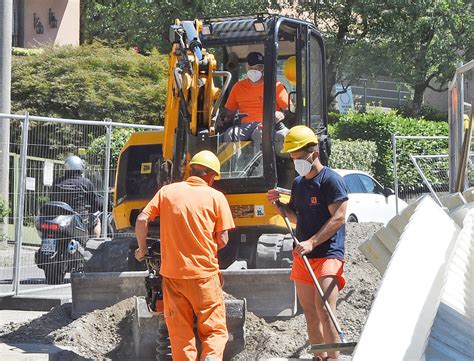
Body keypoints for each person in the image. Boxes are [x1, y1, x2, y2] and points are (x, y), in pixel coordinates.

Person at [134, 150, 235, 361]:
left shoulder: (167, 192)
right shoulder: (216, 197)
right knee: (214, 329)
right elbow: (223, 240)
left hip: (173, 277)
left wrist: (142, 250)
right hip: (204, 277)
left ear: (193, 170)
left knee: (180, 335)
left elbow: (142, 220)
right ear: (210, 175)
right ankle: (212, 357)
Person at [266, 126, 348, 361]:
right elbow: (296, 216)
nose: (296, 161)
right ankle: (318, 357)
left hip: (328, 255)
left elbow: (339, 217)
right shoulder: (299, 184)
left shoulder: (331, 181)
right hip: (303, 256)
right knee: (310, 312)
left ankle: (334, 358)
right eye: (292, 157)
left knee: (325, 310)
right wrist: (279, 207)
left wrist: (312, 242)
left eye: (299, 157)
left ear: (314, 153)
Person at [220, 51, 289, 150]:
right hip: (244, 125)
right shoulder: (238, 87)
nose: (254, 71)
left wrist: (281, 114)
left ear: (263, 68)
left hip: (265, 124)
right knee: (230, 134)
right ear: (246, 67)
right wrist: (223, 120)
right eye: (251, 68)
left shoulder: (275, 85)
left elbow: (289, 109)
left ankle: (260, 165)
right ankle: (237, 164)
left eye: (258, 68)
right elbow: (230, 112)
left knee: (261, 134)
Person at [51, 155, 102, 237]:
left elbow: (52, 198)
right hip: (80, 218)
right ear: (80, 167)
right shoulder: (85, 182)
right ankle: (93, 245)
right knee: (96, 221)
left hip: (59, 217)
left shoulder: (57, 182)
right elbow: (95, 201)